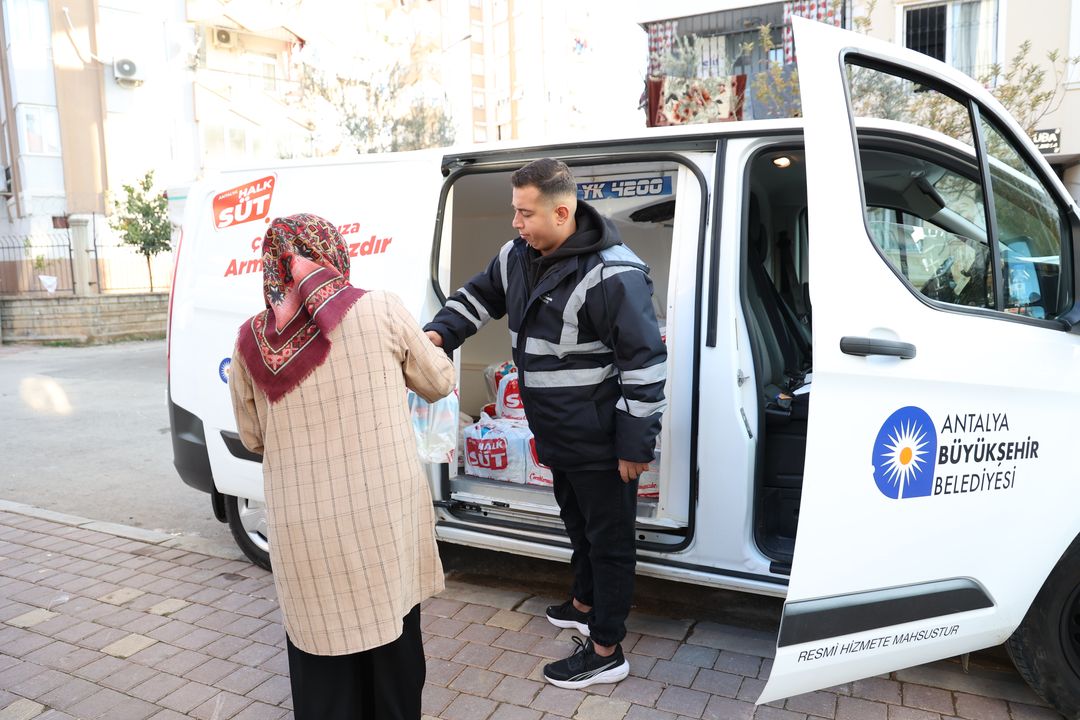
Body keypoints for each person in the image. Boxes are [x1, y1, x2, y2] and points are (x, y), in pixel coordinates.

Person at [424, 158, 666, 689]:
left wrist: (635, 446)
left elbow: (644, 365)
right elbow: (475, 300)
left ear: (562, 211)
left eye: (524, 213)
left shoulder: (615, 272)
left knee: (609, 539)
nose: (515, 223)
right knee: (577, 523)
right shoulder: (517, 256)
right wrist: (433, 339)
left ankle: (605, 648)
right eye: (515, 211)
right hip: (554, 432)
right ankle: (583, 603)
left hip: (602, 440)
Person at [229, 213, 455, 719]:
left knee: (322, 660)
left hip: (305, 530)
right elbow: (438, 384)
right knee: (392, 649)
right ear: (333, 254)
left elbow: (252, 437)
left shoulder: (251, 341)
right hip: (382, 520)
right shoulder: (380, 309)